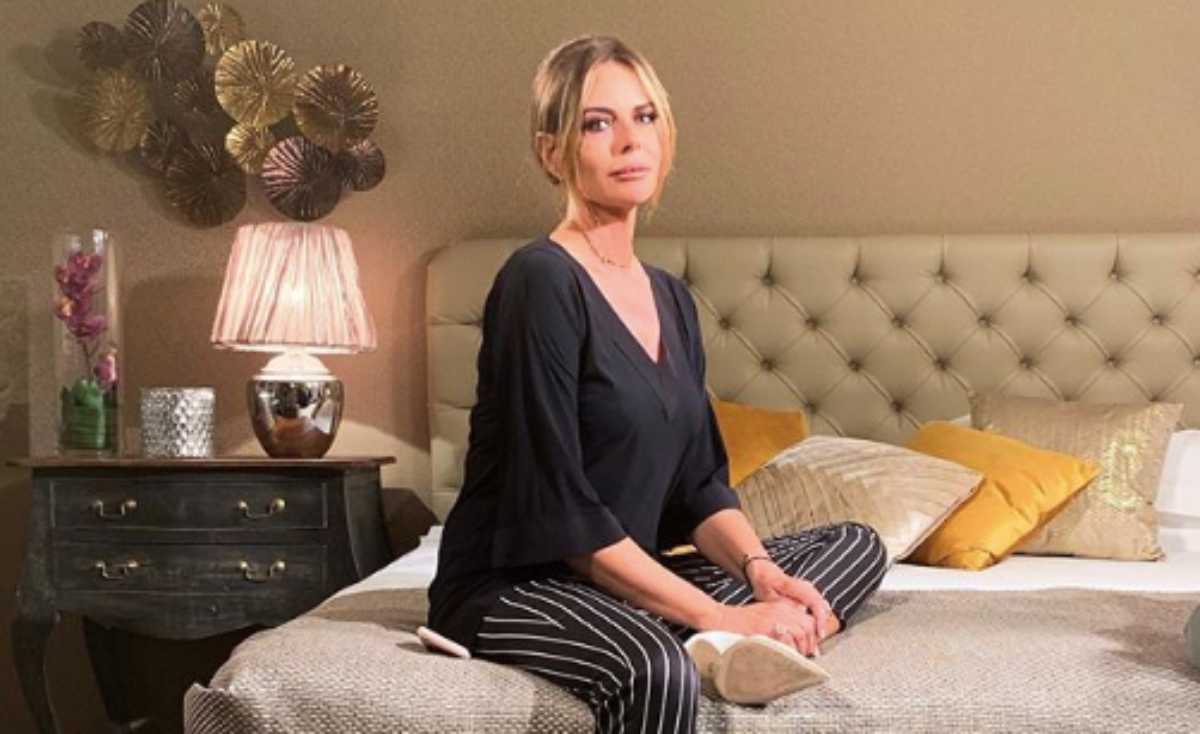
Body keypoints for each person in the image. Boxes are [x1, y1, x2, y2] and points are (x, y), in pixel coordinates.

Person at [427, 34, 887, 732]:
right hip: (517, 581)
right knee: (655, 666)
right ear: (552, 153)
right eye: (597, 123)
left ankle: (732, 638)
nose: (629, 141)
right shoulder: (539, 281)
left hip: (623, 574)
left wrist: (761, 577)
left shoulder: (670, 297)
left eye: (644, 118)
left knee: (855, 545)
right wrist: (720, 615)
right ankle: (711, 640)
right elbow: (562, 515)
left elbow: (699, 486)